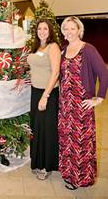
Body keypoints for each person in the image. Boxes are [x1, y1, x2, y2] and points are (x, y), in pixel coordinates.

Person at [58, 16, 108, 190]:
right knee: (67, 140)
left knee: (81, 143)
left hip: (81, 105)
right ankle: (68, 173)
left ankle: (82, 179)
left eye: (73, 28)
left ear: (79, 30)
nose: (70, 31)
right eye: (66, 28)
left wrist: (99, 98)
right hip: (65, 105)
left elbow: (104, 73)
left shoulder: (88, 49)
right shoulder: (63, 51)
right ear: (63, 32)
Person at [27, 18, 61, 180]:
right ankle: (37, 161)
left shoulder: (53, 47)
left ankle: (47, 166)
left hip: (48, 93)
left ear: (50, 31)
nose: (42, 31)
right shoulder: (35, 47)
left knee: (47, 130)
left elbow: (55, 73)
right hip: (35, 91)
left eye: (45, 29)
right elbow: (33, 68)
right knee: (36, 128)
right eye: (39, 28)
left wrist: (45, 97)